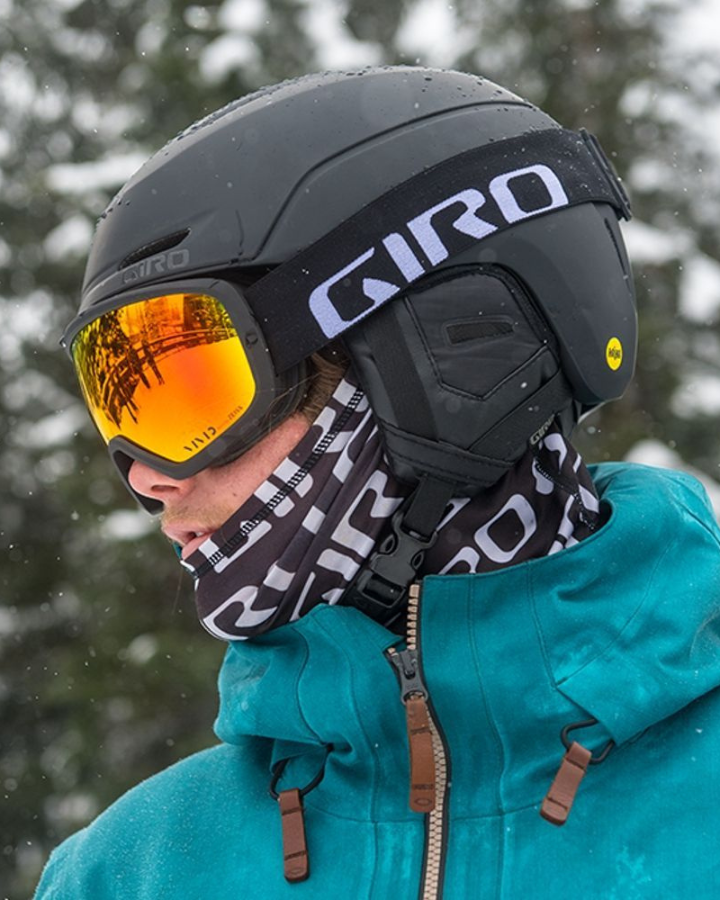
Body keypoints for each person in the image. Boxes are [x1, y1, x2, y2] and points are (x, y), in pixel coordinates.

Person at [35, 67, 720, 899]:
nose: (145, 475)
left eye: (192, 392)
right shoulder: (131, 871)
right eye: (120, 402)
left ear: (445, 361)